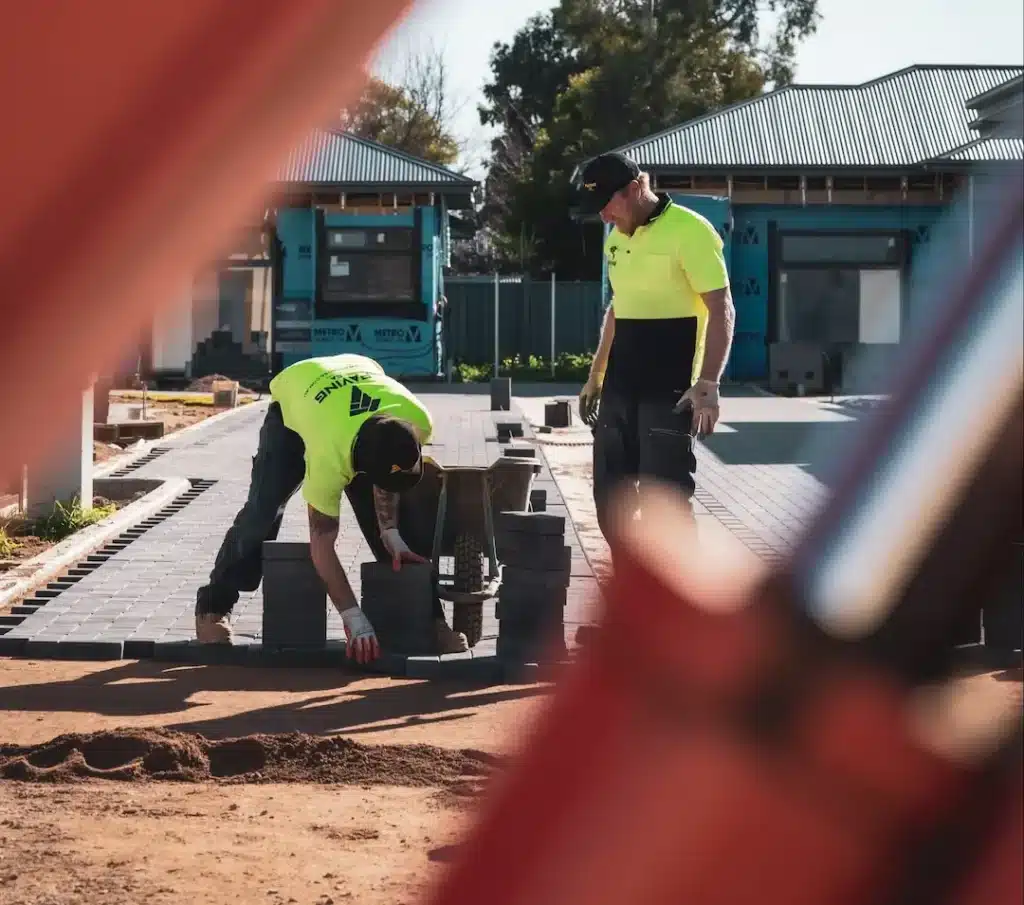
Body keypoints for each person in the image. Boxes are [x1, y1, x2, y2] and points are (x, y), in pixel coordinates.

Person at [193, 353, 469, 662]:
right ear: (354, 468)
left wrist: (390, 530)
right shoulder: (329, 460)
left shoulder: (418, 421)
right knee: (263, 512)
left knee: (401, 530)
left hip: (354, 378)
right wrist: (353, 616)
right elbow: (321, 545)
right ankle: (212, 606)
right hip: (296, 406)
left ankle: (431, 619)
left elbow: (390, 476)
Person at [574, 151, 736, 543]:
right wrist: (597, 375)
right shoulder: (616, 238)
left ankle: (676, 602)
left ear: (634, 189)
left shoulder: (691, 232)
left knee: (666, 514)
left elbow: (722, 307)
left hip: (671, 391)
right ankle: (630, 597)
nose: (603, 217)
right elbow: (618, 308)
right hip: (620, 386)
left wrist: (709, 385)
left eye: (606, 205)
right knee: (611, 506)